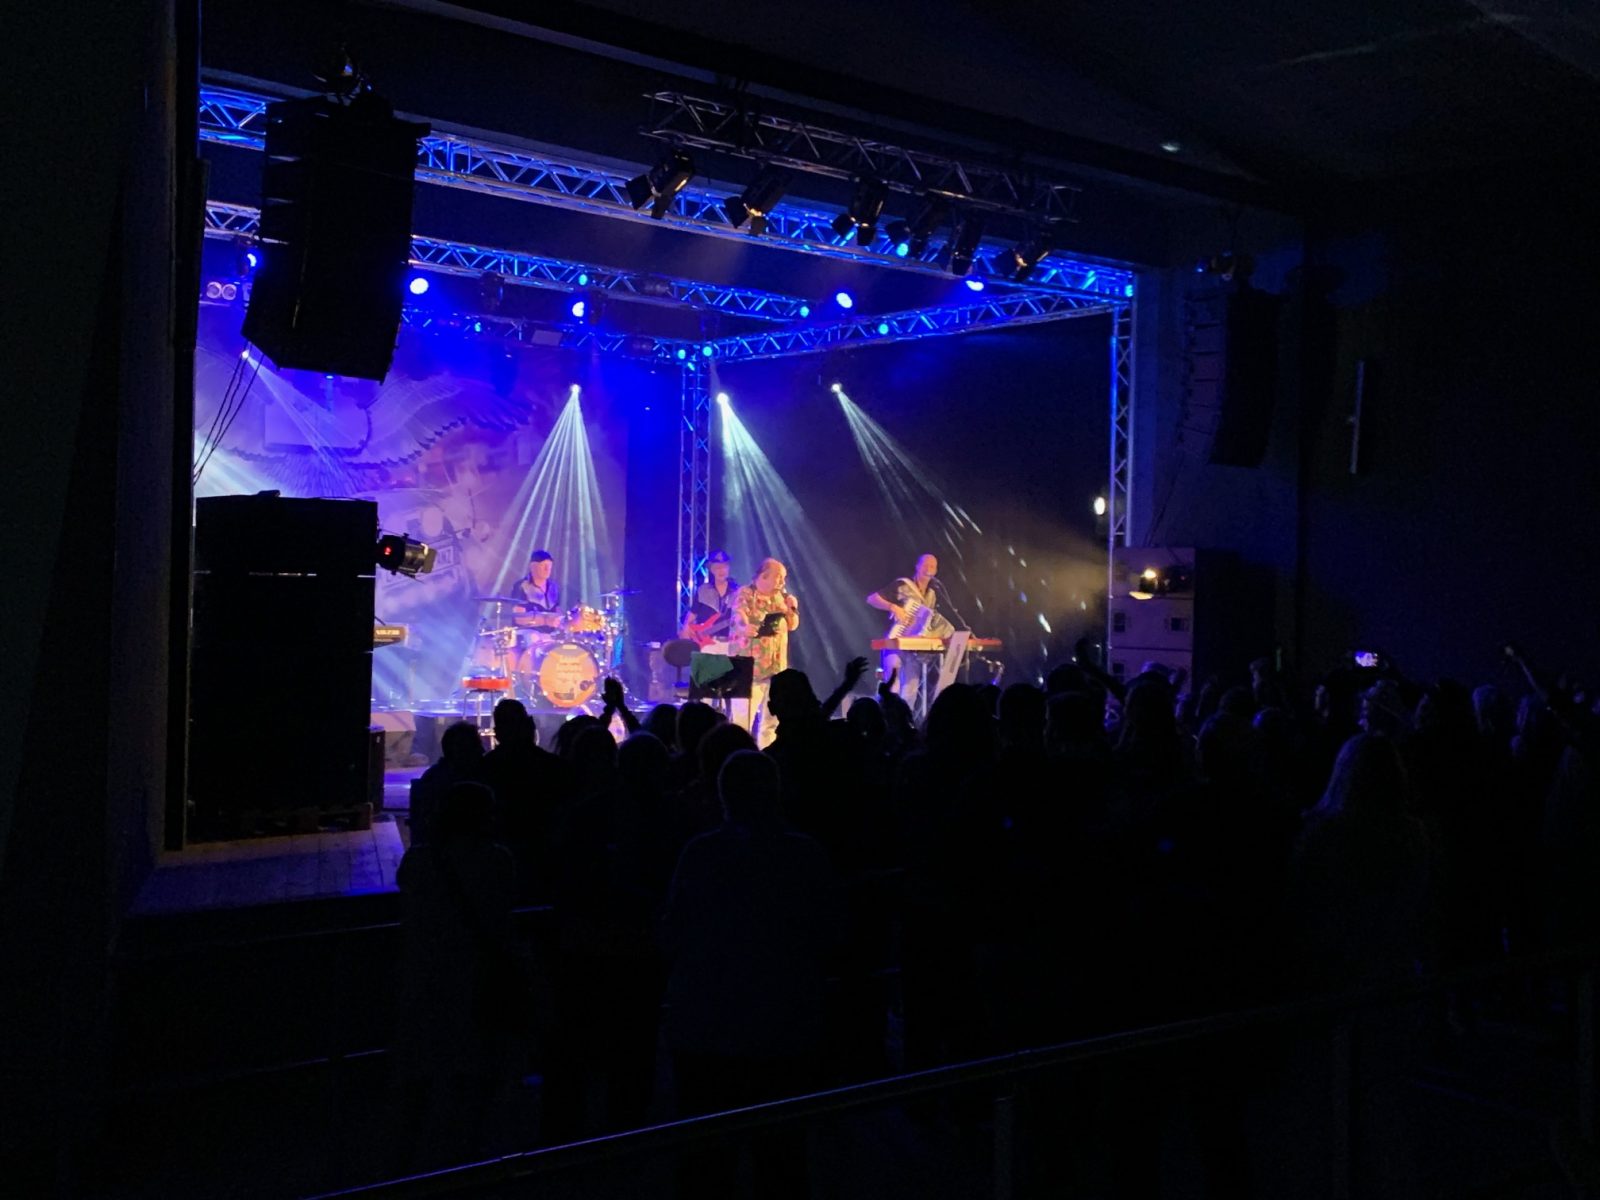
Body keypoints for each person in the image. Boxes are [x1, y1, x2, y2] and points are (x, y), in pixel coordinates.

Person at [865, 553, 951, 711]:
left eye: (932, 566)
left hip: (914, 650)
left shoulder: (932, 595)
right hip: (894, 643)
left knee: (910, 691)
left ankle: (905, 722)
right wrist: (893, 607)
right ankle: (886, 721)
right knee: (893, 688)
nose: (928, 569)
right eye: (925, 565)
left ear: (936, 571)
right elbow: (871, 599)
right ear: (917, 566)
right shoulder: (902, 585)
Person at [731, 557, 798, 749]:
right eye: (779, 577)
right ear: (764, 576)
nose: (782, 582)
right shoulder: (746, 593)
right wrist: (744, 627)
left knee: (771, 723)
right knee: (742, 722)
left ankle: (767, 755)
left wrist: (792, 608)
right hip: (749, 669)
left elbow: (793, 625)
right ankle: (740, 756)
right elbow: (738, 616)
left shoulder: (782, 598)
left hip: (776, 670)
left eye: (784, 578)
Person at [680, 550, 739, 649]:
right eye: (717, 568)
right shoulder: (703, 590)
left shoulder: (737, 591)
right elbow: (692, 614)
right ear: (711, 570)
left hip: (729, 643)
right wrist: (686, 630)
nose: (721, 571)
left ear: (728, 568)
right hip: (705, 645)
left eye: (724, 567)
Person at [512, 549, 562, 631]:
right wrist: (545, 621)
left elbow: (558, 612)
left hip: (551, 635)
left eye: (549, 565)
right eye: (543, 565)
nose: (547, 569)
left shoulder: (554, 587)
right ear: (533, 567)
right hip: (528, 633)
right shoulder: (521, 587)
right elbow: (519, 618)